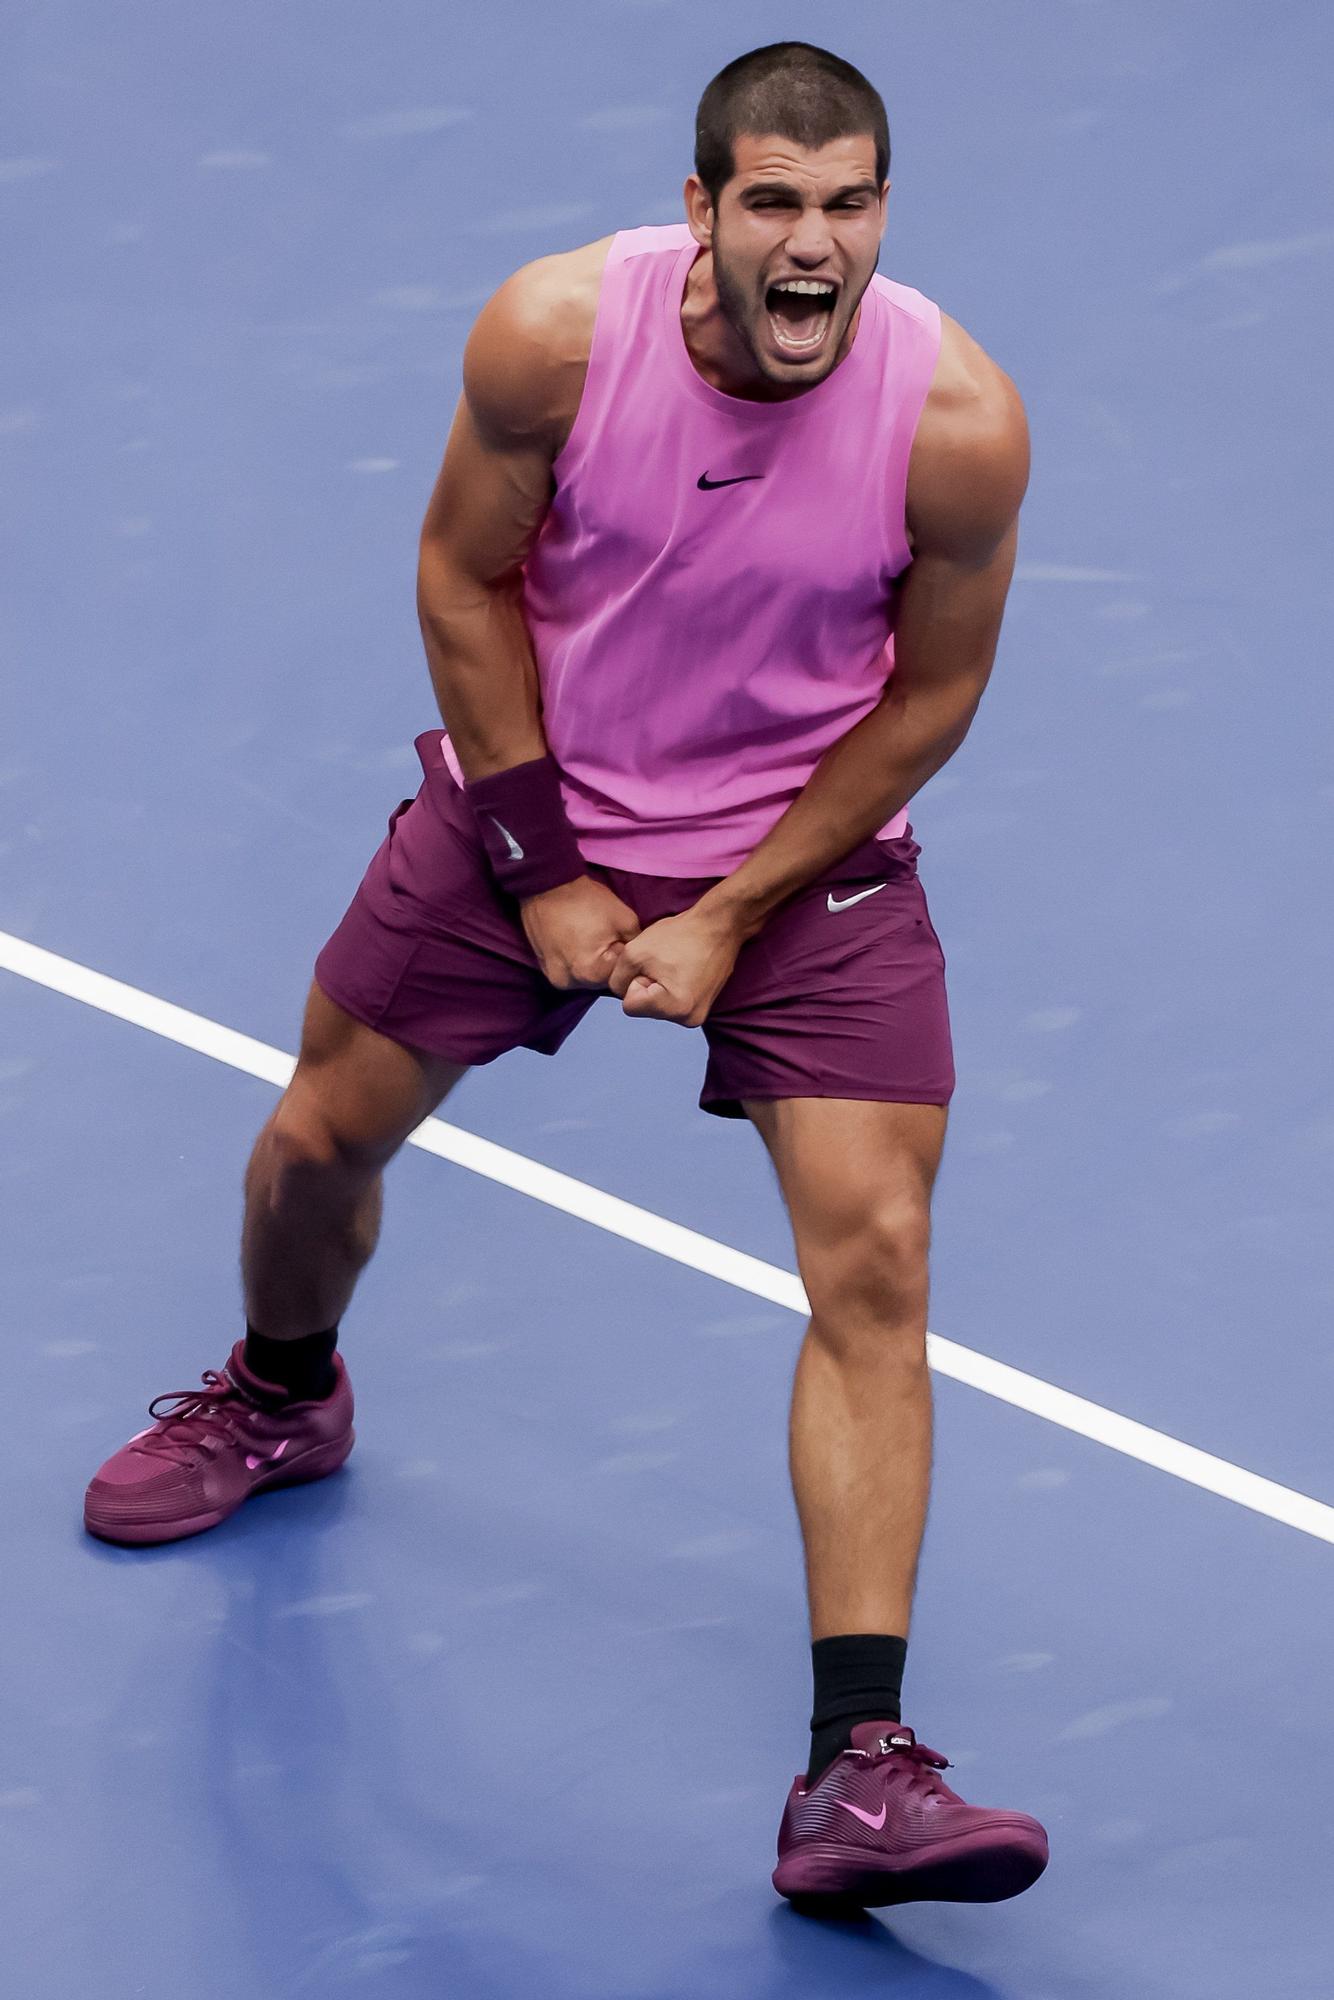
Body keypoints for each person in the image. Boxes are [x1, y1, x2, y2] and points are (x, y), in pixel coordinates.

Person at [84, 41, 1047, 1909]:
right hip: (531, 802)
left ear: (879, 220)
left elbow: (930, 696)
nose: (813, 248)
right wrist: (547, 873)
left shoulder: (959, 423)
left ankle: (859, 1770)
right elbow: (461, 585)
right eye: (773, 202)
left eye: (848, 206)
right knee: (311, 1149)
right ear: (700, 213)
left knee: (880, 1254)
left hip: (801, 851)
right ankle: (285, 1391)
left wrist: (729, 908)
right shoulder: (550, 337)